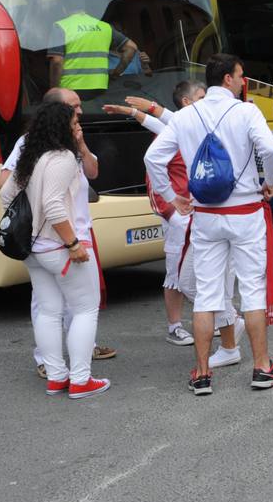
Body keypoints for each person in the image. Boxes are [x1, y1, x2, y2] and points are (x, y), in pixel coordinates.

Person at [145, 53, 273, 395]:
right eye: (241, 76)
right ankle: (262, 367)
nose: (243, 82)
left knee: (208, 295)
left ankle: (202, 373)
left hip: (205, 216)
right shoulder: (245, 111)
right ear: (228, 79)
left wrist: (171, 195)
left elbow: (153, 158)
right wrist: (270, 180)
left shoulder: (185, 116)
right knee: (251, 290)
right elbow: (270, 149)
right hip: (245, 213)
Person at [104, 82, 245, 353]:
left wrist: (139, 112)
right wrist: (171, 209)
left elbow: (160, 121)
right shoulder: (180, 130)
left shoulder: (199, 128)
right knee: (180, 276)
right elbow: (158, 142)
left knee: (215, 273)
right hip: (181, 216)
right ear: (186, 102)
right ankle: (185, 324)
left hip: (200, 215)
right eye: (201, 97)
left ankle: (222, 321)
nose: (209, 102)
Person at [1, 88, 117, 376]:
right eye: (73, 111)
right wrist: (73, 242)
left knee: (51, 310)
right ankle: (79, 378)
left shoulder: (38, 151)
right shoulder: (58, 155)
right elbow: (53, 205)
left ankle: (56, 375)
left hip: (36, 246)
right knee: (84, 309)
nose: (79, 115)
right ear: (58, 117)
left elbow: (8, 193)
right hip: (64, 242)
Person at [48, 0, 138, 92]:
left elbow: (57, 62)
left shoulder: (61, 26)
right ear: (84, 8)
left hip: (71, 88)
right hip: (100, 87)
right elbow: (132, 47)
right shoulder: (104, 26)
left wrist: (54, 89)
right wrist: (117, 73)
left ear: (63, 8)